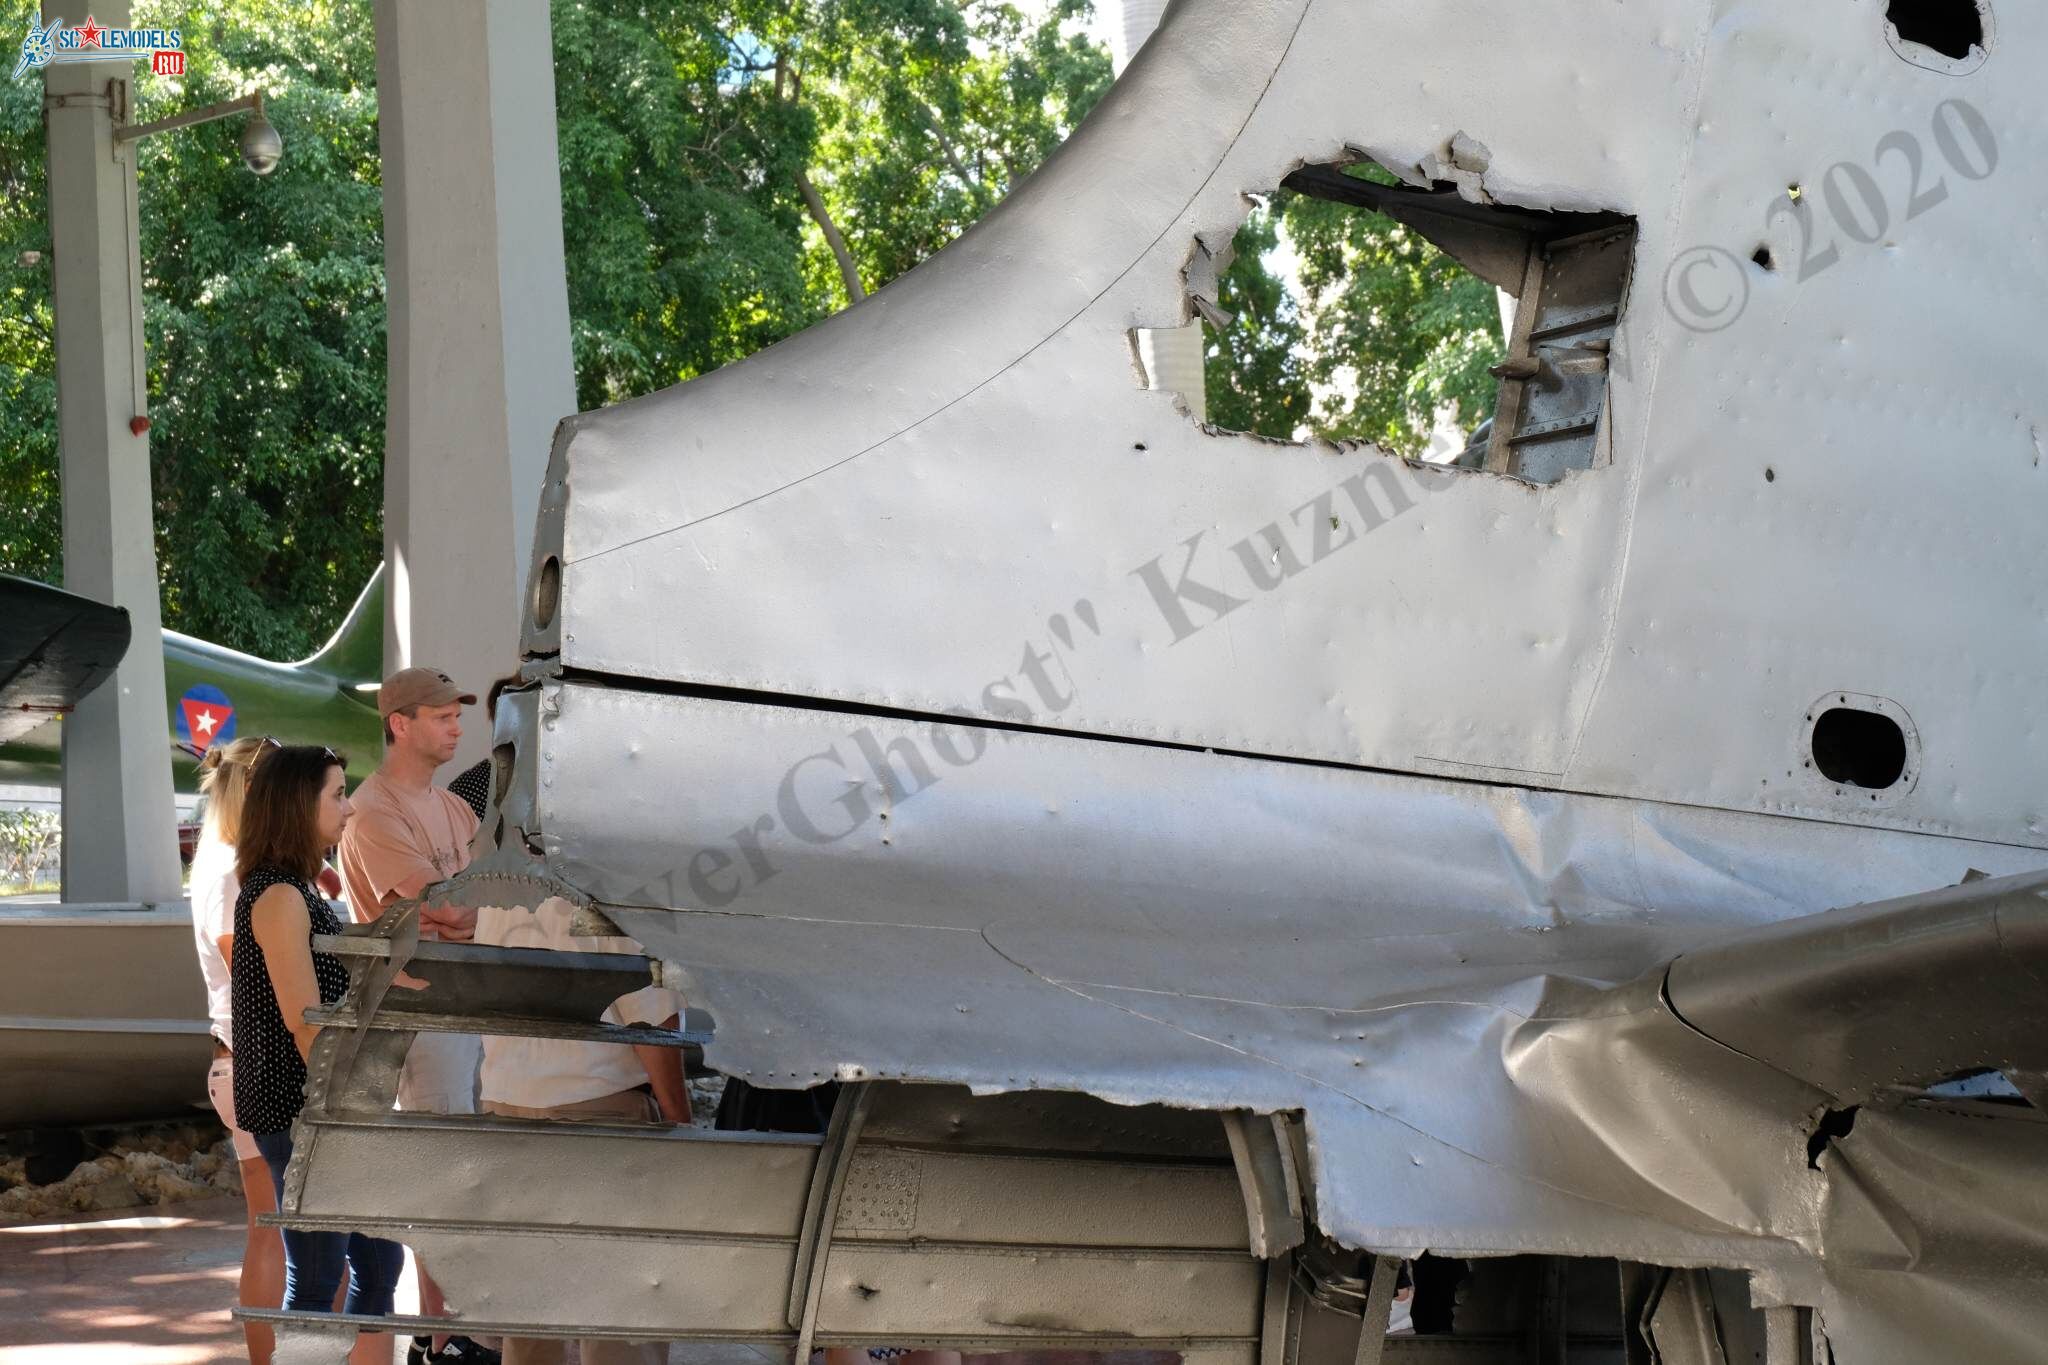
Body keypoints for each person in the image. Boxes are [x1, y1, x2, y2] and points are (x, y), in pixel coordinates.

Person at [335, 667, 496, 1365]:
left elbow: (479, 905)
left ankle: (458, 1329)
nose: (457, 727)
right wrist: (472, 912)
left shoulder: (454, 809)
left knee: (473, 1172)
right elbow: (454, 908)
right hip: (422, 1016)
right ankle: (442, 1339)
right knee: (443, 1176)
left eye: (457, 716)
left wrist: (470, 912)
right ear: (400, 723)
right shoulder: (373, 809)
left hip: (471, 1010)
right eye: (441, 716)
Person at [230, 745, 402, 1365]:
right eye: (336, 794)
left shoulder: (297, 887)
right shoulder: (280, 894)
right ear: (298, 804)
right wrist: (358, 1104)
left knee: (378, 1260)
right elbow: (305, 1022)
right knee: (322, 1272)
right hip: (304, 1111)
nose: (349, 807)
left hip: (321, 1108)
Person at [476, 896, 690, 1365]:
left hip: (508, 1099)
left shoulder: (501, 863)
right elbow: (649, 1012)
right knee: (622, 1307)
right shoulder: (608, 871)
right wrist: (679, 1120)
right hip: (598, 1104)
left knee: (530, 1307)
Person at [189, 735, 285, 1365]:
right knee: (274, 1230)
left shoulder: (223, 860)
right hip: (255, 1060)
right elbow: (250, 966)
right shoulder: (231, 869)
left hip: (243, 1058)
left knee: (271, 1228)